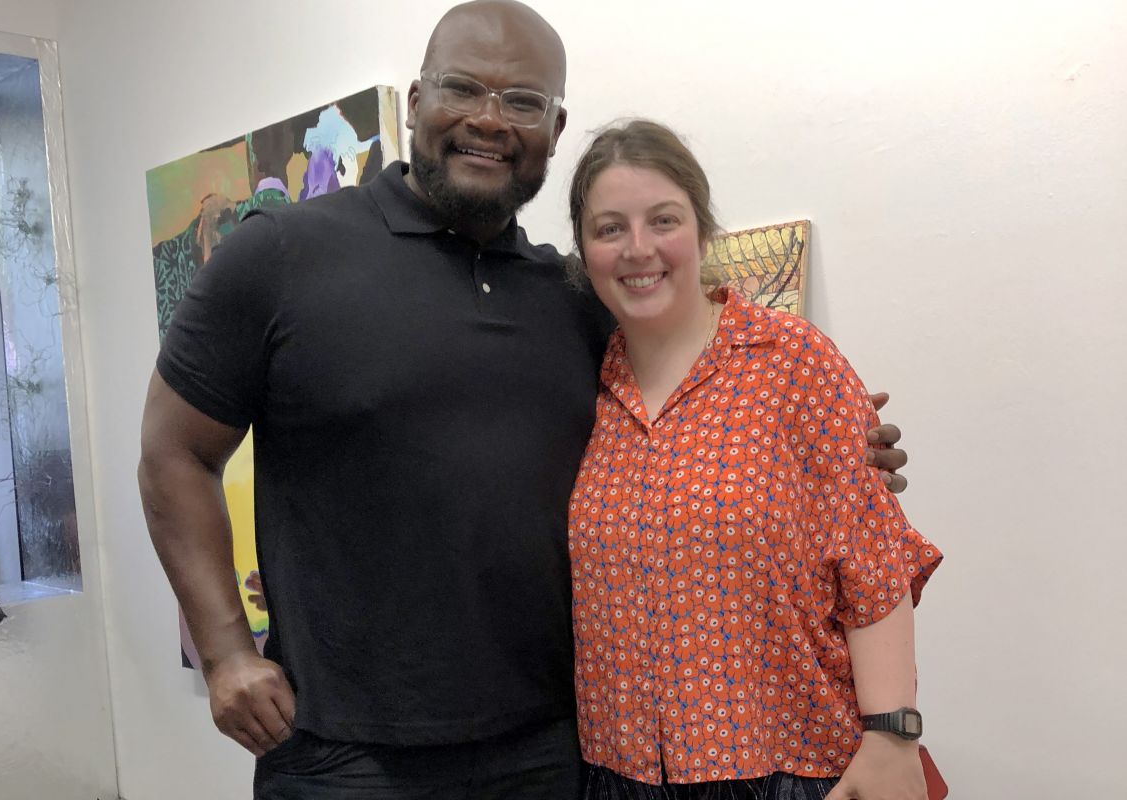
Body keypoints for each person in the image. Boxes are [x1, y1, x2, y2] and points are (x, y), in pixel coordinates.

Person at [137, 2, 910, 797]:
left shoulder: (574, 302)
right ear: (414, 102)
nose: (488, 119)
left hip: (551, 751)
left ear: (553, 125)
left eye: (522, 101)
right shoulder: (280, 256)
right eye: (462, 88)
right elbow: (173, 451)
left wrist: (832, 451)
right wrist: (227, 650)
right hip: (343, 754)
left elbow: (689, 412)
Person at [565, 119, 942, 800]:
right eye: (609, 228)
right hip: (616, 773)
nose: (638, 248)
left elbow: (872, 561)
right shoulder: (575, 383)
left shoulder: (793, 362)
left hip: (787, 768)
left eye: (663, 219)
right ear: (583, 249)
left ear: (702, 231)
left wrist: (891, 738)